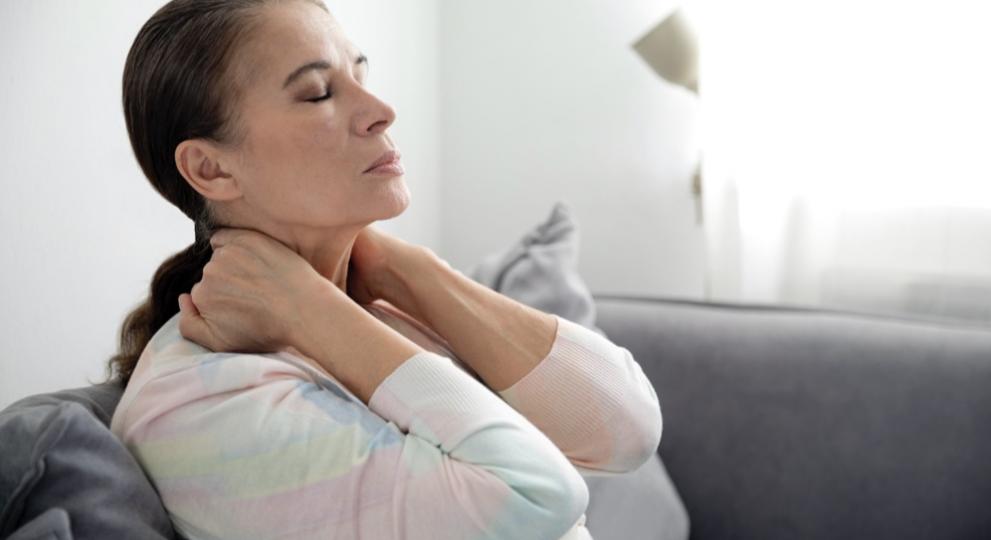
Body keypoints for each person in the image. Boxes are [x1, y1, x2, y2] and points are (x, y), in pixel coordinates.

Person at [106, 1, 663, 538]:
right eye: (318, 92)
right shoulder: (195, 405)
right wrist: (311, 311)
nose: (381, 110)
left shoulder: (381, 305)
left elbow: (629, 429)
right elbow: (537, 500)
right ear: (211, 168)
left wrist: (407, 271)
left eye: (361, 73)